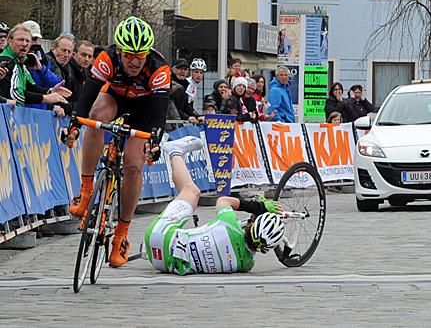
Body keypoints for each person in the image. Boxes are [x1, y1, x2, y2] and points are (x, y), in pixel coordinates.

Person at [63, 16, 171, 267]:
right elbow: (88, 94)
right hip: (116, 97)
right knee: (95, 116)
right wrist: (75, 123)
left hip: (145, 109)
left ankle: (121, 234)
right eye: (128, 55)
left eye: (140, 55)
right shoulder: (107, 59)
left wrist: (154, 140)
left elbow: (159, 112)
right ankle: (86, 191)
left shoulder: (158, 68)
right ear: (119, 50)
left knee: (133, 166)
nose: (134, 61)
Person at [142, 136, 286, 275]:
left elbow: (222, 201)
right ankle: (147, 249)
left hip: (159, 234)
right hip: (161, 263)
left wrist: (258, 207)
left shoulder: (229, 223)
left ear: (251, 225)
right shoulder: (247, 265)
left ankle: (175, 151)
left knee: (191, 191)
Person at [0, 24, 70, 109]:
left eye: (27, 41)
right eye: (20, 40)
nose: (24, 44)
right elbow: (15, 94)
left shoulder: (21, 62)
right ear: (9, 41)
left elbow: (31, 87)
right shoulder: (6, 60)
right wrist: (45, 98)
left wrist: (50, 91)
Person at [170, 58, 203, 124]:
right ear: (173, 69)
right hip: (169, 124)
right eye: (180, 68)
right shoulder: (169, 84)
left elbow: (186, 105)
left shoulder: (185, 85)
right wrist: (187, 117)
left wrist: (197, 116)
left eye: (185, 69)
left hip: (176, 122)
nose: (183, 71)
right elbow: (171, 108)